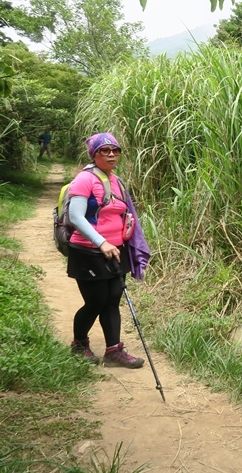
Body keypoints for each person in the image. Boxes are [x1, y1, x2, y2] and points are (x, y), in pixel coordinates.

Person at [66, 132, 150, 368]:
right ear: (94, 154)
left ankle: (114, 350)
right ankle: (79, 344)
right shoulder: (85, 179)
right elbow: (75, 216)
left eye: (115, 150)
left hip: (115, 250)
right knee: (96, 301)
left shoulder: (116, 180)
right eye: (104, 150)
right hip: (88, 251)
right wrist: (101, 242)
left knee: (113, 299)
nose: (111, 154)